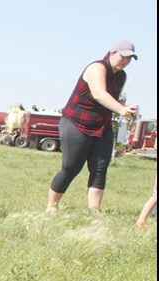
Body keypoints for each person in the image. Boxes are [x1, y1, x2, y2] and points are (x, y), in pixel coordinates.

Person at [47, 41, 139, 213]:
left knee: (99, 170)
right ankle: (51, 207)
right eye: (123, 56)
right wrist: (121, 109)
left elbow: (112, 98)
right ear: (112, 53)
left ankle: (94, 211)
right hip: (76, 122)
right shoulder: (97, 68)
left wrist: (126, 108)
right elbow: (99, 94)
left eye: (129, 59)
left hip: (102, 125)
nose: (125, 61)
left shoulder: (121, 76)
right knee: (71, 167)